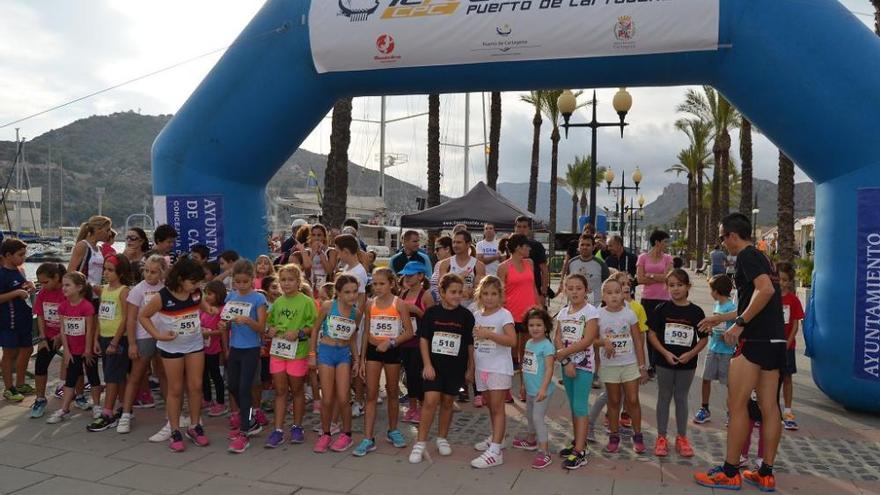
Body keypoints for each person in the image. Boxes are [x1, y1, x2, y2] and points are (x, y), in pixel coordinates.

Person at [694, 213, 786, 492]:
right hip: (775, 340)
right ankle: (766, 473)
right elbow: (756, 300)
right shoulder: (763, 257)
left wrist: (740, 325)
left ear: (733, 235)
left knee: (737, 406)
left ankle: (730, 471)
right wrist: (722, 319)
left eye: (722, 236)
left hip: (754, 341)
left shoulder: (746, 256)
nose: (722, 243)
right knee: (769, 407)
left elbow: (765, 291)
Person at [139, 257, 209, 452]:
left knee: (195, 386)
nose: (196, 286)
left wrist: (210, 310)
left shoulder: (195, 293)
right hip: (172, 348)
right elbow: (143, 315)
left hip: (194, 344)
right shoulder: (162, 296)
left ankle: (195, 426)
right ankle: (175, 429)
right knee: (175, 389)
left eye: (198, 283)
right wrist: (157, 334)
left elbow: (201, 304)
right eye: (193, 282)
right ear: (180, 278)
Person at [408, 273, 475, 464]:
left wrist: (471, 367)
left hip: (455, 367)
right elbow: (423, 339)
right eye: (453, 292)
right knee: (430, 401)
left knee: (447, 402)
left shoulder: (466, 315)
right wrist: (427, 364)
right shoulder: (432, 313)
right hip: (433, 367)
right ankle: (420, 443)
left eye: (460, 292)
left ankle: (442, 437)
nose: (457, 296)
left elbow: (470, 343)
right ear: (443, 292)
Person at [354, 267, 414, 456]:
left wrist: (391, 342)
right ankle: (368, 437)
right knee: (370, 394)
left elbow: (409, 332)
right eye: (375, 284)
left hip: (392, 351)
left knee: (392, 391)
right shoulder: (369, 304)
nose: (378, 287)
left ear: (391, 284)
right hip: (373, 351)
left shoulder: (399, 304)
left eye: (382, 284)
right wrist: (362, 358)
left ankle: (393, 430)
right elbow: (365, 333)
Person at [647, 269, 707, 458]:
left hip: (687, 363)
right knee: (664, 397)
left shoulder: (696, 312)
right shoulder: (661, 309)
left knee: (681, 398)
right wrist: (664, 352)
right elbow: (651, 334)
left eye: (679, 285)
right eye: (671, 285)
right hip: (665, 362)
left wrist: (691, 353)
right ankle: (661, 437)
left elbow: (704, 338)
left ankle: (682, 437)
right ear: (667, 287)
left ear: (688, 287)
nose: (675, 289)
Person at [264, 264, 317, 447]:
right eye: (283, 280)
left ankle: (297, 426)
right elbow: (269, 324)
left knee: (296, 391)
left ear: (298, 281)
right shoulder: (278, 302)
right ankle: (278, 430)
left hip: (298, 352)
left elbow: (314, 328)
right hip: (278, 352)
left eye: (290, 280)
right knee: (280, 391)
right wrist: (270, 330)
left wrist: (300, 332)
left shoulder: (306, 302)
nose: (286, 284)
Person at [596, 277, 648, 454]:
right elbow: (591, 340)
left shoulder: (629, 313)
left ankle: (638, 435)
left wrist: (643, 367)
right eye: (609, 293)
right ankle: (614, 435)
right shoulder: (599, 314)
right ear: (603, 296)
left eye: (617, 292)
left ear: (624, 294)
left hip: (630, 364)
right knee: (614, 400)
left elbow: (638, 341)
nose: (614, 296)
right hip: (610, 366)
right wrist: (604, 343)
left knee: (632, 400)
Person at [222, 259, 269, 453]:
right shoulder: (231, 296)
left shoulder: (258, 299)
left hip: (251, 348)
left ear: (252, 279)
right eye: (237, 282)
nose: (240, 286)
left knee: (244, 388)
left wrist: (248, 320)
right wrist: (224, 328)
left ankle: (245, 430)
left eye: (244, 282)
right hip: (235, 347)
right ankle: (249, 418)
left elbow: (262, 328)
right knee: (232, 385)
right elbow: (225, 321)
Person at [118, 255, 169, 434]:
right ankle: (125, 414)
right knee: (137, 375)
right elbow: (131, 319)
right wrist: (132, 343)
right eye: (146, 270)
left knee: (164, 374)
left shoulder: (166, 288)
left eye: (153, 272)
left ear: (161, 273)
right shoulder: (138, 290)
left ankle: (172, 414)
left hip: (163, 336)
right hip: (143, 336)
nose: (149, 275)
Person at [554, 273, 600, 470]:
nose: (574, 292)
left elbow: (588, 340)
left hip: (584, 366)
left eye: (578, 288)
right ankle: (578, 443)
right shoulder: (563, 312)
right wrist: (565, 361)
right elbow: (557, 337)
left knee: (580, 406)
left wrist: (564, 353)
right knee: (573, 406)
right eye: (570, 288)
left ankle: (580, 452)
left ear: (586, 290)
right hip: (567, 365)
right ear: (565, 290)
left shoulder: (590, 312)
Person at [470, 276, 516, 469]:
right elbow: (473, 342)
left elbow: (512, 341)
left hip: (498, 367)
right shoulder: (477, 314)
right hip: (482, 367)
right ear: (480, 295)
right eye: (485, 294)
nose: (489, 298)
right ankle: (498, 437)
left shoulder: (504, 315)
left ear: (500, 296)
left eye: (493, 294)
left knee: (498, 408)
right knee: (490, 406)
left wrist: (489, 334)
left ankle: (495, 451)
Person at [311, 274, 361, 453]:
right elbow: (315, 329)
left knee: (344, 397)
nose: (352, 296)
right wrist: (312, 354)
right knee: (327, 397)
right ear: (338, 293)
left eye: (355, 291)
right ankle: (326, 434)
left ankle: (347, 435)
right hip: (326, 351)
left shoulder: (356, 313)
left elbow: (353, 337)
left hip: (343, 354)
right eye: (347, 292)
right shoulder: (327, 306)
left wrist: (356, 359)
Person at [46, 271, 101, 424]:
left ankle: (97, 406)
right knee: (70, 379)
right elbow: (63, 330)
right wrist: (67, 351)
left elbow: (90, 329)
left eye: (67, 285)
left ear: (79, 288)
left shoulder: (87, 307)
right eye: (63, 285)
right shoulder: (63, 306)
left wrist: (88, 349)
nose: (64, 288)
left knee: (93, 376)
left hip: (87, 350)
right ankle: (64, 408)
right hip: (72, 350)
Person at [87, 255, 134, 432]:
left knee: (112, 376)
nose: (105, 273)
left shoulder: (124, 291)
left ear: (121, 272)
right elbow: (101, 315)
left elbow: (125, 318)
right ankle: (123, 406)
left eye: (110, 270)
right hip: (105, 337)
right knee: (116, 374)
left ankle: (107, 412)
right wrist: (97, 338)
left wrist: (115, 341)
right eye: (105, 269)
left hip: (118, 339)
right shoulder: (104, 289)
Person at [511, 307, 556, 469]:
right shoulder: (529, 343)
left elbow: (550, 369)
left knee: (537, 418)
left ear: (546, 327)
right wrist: (523, 385)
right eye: (531, 325)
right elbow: (526, 366)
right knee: (529, 415)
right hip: (530, 389)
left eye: (539, 325)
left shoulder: (547, 346)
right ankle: (530, 440)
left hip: (541, 391)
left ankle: (545, 452)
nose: (535, 328)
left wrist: (543, 389)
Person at [497, 233, 538, 402]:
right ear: (518, 248)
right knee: (507, 355)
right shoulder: (504, 267)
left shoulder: (530, 263)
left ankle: (525, 388)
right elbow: (499, 292)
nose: (529, 248)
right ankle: (505, 389)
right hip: (510, 316)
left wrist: (539, 308)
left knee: (526, 354)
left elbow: (533, 287)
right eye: (526, 246)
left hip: (529, 315)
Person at [694, 275, 736, 425]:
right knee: (706, 379)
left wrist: (728, 334)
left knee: (729, 384)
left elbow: (735, 324)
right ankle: (704, 408)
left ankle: (731, 412)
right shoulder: (717, 305)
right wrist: (711, 329)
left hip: (727, 351)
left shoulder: (731, 307)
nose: (710, 293)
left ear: (717, 291)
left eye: (711, 290)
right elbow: (717, 323)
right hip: (713, 348)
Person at [398, 261, 434, 425]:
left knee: (418, 375)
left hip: (420, 342)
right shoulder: (403, 294)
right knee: (409, 376)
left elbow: (433, 319)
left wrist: (417, 311)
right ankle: (412, 407)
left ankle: (421, 407)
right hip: (405, 340)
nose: (407, 278)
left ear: (421, 276)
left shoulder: (426, 295)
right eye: (406, 275)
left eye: (411, 275)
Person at [0, 238, 36, 402]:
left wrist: (29, 286)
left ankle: (20, 383)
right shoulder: (2, 274)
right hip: (9, 321)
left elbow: (22, 288)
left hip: (24, 319)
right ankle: (9, 388)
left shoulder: (19, 271)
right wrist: (16, 293)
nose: (24, 258)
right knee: (9, 353)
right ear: (8, 255)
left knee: (27, 349)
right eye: (20, 255)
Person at [31, 263, 67, 418]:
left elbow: (69, 314)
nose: (43, 286)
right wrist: (43, 337)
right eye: (41, 283)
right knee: (40, 365)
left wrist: (61, 335)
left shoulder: (66, 292)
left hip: (67, 334)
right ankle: (40, 398)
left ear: (56, 278)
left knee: (75, 366)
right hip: (49, 335)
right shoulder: (42, 294)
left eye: (46, 282)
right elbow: (40, 316)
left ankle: (79, 395)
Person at [637, 229, 673, 374]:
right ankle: (652, 364)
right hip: (648, 300)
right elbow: (640, 279)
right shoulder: (643, 258)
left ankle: (660, 361)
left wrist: (650, 275)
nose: (666, 244)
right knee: (649, 332)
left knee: (662, 332)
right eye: (665, 241)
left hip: (665, 299)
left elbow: (668, 278)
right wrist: (659, 276)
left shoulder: (668, 258)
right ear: (657, 242)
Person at [777, 262, 804, 431]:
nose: (781, 282)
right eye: (779, 279)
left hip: (787, 347)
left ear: (790, 281)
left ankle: (787, 411)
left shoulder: (793, 300)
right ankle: (769, 411)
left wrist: (788, 342)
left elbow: (795, 324)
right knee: (770, 380)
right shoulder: (770, 296)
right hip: (771, 345)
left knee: (787, 378)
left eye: (785, 280)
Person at [437, 230, 486, 310]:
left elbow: (479, 291)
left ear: (468, 244)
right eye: (454, 242)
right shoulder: (445, 264)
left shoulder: (478, 265)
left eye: (459, 242)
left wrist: (469, 292)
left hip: (470, 309)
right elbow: (441, 288)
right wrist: (460, 278)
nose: (455, 245)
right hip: (449, 309)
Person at [558, 234, 610, 306]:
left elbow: (607, 286)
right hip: (575, 307)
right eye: (582, 245)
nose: (584, 247)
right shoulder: (571, 263)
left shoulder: (601, 264)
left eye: (588, 245)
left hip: (595, 308)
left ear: (593, 247)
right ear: (578, 247)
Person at [201, 281, 228, 418]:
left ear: (218, 294)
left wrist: (209, 333)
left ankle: (221, 402)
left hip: (215, 349)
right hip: (203, 348)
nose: (207, 296)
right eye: (206, 293)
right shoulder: (204, 308)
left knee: (216, 376)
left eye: (210, 294)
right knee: (203, 375)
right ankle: (207, 399)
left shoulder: (222, 309)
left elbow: (223, 331)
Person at [68, 215, 112, 287]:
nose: (110, 234)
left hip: (96, 294)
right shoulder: (83, 246)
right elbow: (70, 273)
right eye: (107, 230)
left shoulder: (100, 248)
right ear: (98, 230)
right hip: (83, 293)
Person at [514, 216, 549, 306]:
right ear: (515, 228)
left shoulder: (537, 246)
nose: (521, 229)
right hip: (514, 291)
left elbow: (544, 270)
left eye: (524, 227)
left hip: (534, 290)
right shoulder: (510, 247)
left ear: (529, 229)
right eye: (519, 226)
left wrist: (543, 294)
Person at [302, 224, 339, 291]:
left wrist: (321, 253)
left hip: (326, 287)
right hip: (311, 286)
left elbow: (329, 271)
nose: (316, 238)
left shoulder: (331, 251)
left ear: (324, 237)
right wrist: (313, 253)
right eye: (313, 235)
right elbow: (306, 268)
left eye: (319, 235)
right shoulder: (307, 252)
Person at [430, 236, 453, 302]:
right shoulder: (438, 264)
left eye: (437, 249)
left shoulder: (454, 264)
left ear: (447, 249)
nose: (435, 252)